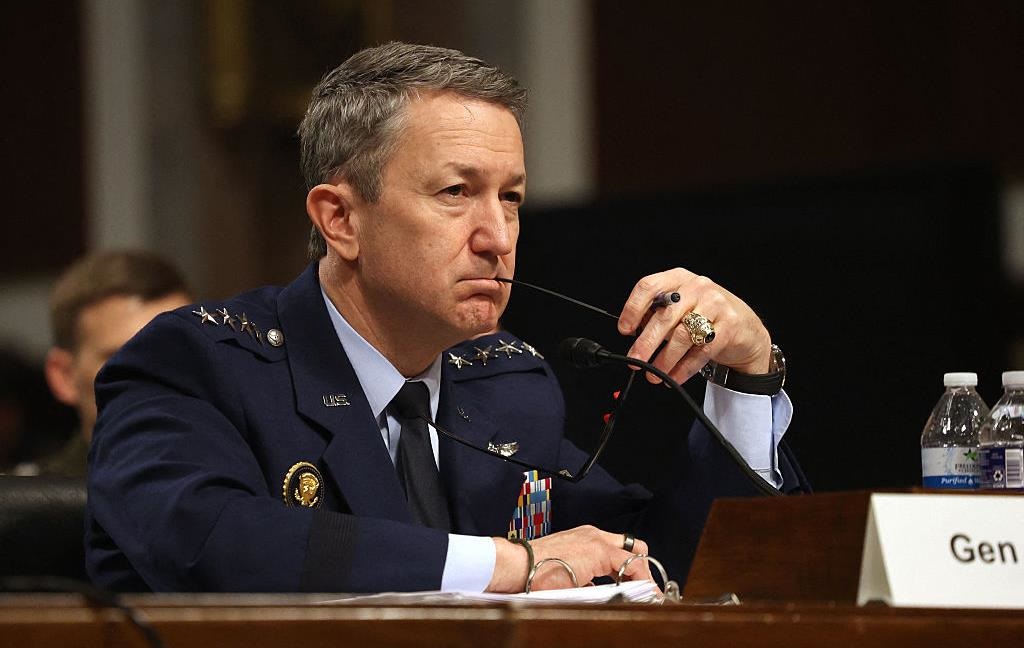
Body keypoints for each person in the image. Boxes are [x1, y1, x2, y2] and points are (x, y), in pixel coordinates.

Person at [86, 42, 807, 594]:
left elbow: (666, 562)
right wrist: (514, 564)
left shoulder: (506, 386)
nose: (498, 237)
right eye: (456, 192)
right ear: (340, 219)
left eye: (511, 198)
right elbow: (212, 543)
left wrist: (746, 381)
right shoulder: (200, 364)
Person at [26, 251, 191, 477]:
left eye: (178, 353)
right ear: (64, 376)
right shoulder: (24, 497)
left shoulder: (239, 477)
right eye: (126, 359)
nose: (161, 375)